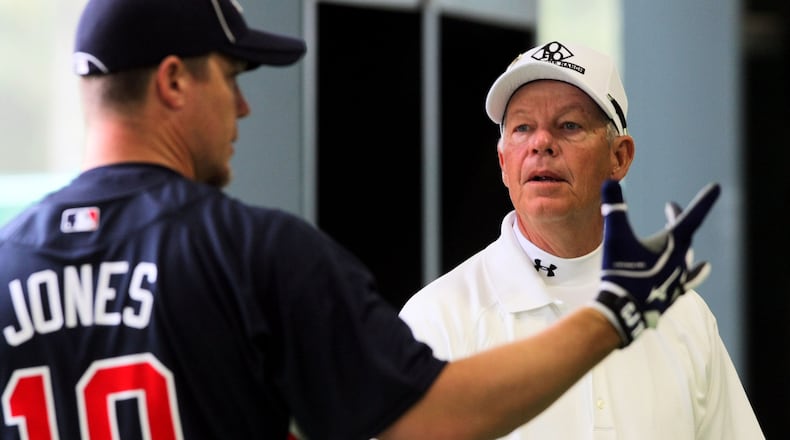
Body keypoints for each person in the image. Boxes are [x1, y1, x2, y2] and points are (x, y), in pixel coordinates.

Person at [0, 1, 719, 437]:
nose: (245, 107)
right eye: (234, 76)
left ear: (617, 153)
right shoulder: (253, 253)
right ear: (174, 80)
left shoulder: (6, 263)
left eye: (569, 126)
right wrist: (616, 315)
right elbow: (421, 423)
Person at [399, 40, 764, 439]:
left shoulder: (682, 314)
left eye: (569, 125)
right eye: (522, 127)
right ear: (504, 163)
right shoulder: (438, 317)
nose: (541, 143)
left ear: (619, 157)